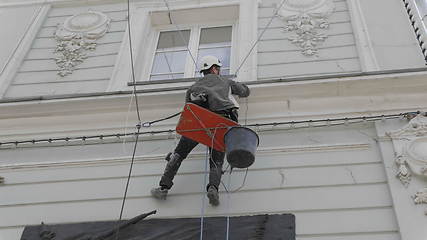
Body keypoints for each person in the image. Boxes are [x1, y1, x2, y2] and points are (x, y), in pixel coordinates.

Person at [151, 56, 250, 206]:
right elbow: (244, 91)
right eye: (218, 68)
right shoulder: (226, 82)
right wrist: (243, 86)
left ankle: (163, 188)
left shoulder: (193, 88)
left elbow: (187, 111)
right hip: (222, 122)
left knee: (178, 154)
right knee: (216, 158)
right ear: (214, 68)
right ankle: (213, 189)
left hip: (198, 122)